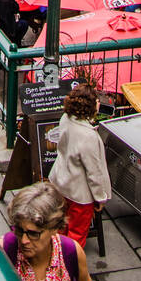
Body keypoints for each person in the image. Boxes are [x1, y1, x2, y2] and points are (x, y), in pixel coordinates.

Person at [4, 182, 98, 281]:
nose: (24, 240)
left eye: (33, 233)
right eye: (20, 230)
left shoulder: (70, 251)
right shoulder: (6, 250)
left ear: (55, 228)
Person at [47, 85, 111, 247]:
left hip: (60, 182)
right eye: (96, 101)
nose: (98, 104)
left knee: (60, 229)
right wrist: (100, 197)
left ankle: (56, 262)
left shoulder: (65, 119)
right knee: (76, 235)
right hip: (79, 194)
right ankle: (70, 266)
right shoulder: (88, 136)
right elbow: (93, 172)